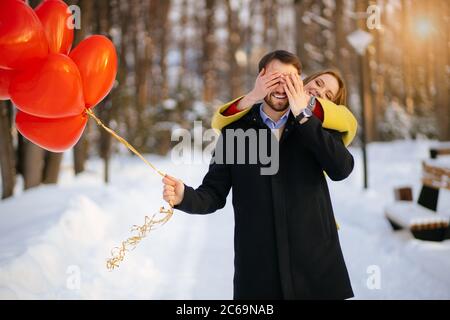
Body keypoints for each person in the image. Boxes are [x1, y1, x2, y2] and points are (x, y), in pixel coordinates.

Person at [163, 50, 355, 299]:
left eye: (289, 80)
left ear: (298, 84)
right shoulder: (235, 132)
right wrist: (183, 197)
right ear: (261, 78)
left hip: (316, 273)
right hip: (258, 276)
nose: (282, 85)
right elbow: (213, 194)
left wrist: (304, 117)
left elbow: (341, 169)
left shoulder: (318, 129)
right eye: (276, 77)